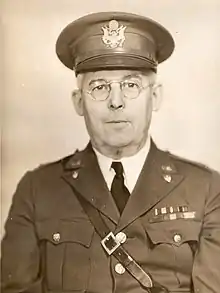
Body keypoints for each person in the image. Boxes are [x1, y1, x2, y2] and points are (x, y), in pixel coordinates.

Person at [1, 11, 220, 293]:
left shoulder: (206, 190)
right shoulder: (36, 190)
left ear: (154, 97)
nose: (116, 102)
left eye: (131, 85)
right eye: (99, 87)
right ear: (79, 102)